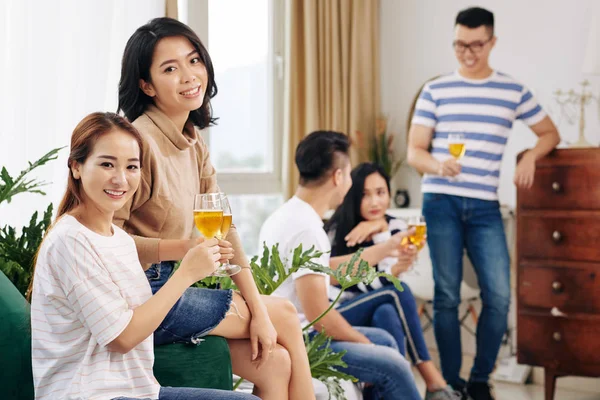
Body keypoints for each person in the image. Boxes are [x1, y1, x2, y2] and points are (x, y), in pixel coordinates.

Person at [114, 17, 314, 400]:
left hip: (176, 284)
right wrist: (181, 249)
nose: (189, 75)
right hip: (144, 297)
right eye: (170, 68)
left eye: (194, 61)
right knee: (286, 315)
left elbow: (224, 229)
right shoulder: (137, 142)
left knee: (276, 363)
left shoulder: (193, 142)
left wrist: (256, 308)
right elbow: (109, 239)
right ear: (146, 84)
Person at [30, 112, 259, 400]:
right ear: (76, 167)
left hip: (138, 392)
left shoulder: (118, 239)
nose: (120, 179)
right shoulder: (71, 241)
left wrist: (189, 248)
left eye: (132, 167)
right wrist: (186, 273)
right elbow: (122, 338)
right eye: (106, 164)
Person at [406, 7, 560, 400]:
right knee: (447, 295)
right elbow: (414, 152)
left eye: (476, 45)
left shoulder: (512, 90)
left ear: (492, 42)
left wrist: (528, 156)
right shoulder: (436, 90)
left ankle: (478, 381)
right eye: (460, 45)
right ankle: (450, 385)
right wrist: (439, 165)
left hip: (485, 206)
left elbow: (549, 133)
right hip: (441, 200)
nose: (468, 52)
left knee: (500, 295)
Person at [259, 131, 422, 400]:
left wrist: (387, 247)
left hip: (292, 332)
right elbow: (318, 315)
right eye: (348, 175)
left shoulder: (288, 214)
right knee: (393, 365)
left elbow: (326, 269)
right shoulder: (308, 230)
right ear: (337, 177)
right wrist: (364, 344)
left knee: (386, 342)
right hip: (301, 341)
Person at [325, 162, 460, 400]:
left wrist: (380, 229)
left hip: (377, 306)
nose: (375, 202)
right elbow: (345, 282)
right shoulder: (337, 228)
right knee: (395, 293)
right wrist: (391, 270)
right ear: (353, 196)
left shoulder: (396, 226)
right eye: (365, 195)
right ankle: (432, 379)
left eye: (381, 193)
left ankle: (383, 393)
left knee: (387, 311)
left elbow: (387, 278)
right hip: (340, 311)